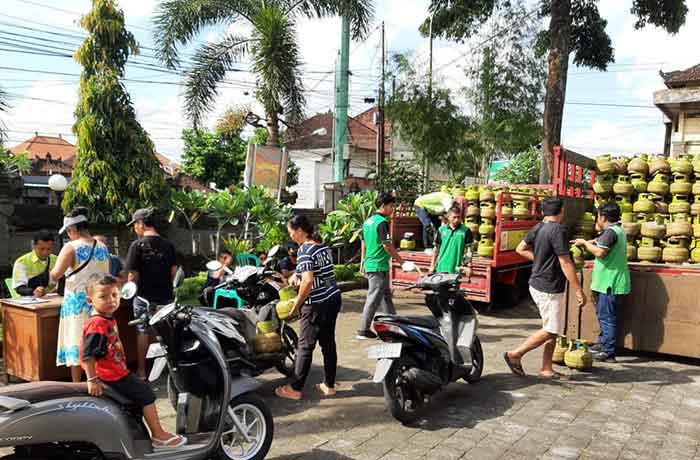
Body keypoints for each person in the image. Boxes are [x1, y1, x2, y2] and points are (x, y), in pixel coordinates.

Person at [81, 274, 186, 448]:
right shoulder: (97, 324)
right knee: (147, 394)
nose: (111, 301)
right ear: (89, 300)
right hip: (111, 375)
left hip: (116, 371)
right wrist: (92, 380)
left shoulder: (105, 319)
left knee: (136, 398)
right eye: (103, 297)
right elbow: (88, 354)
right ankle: (158, 435)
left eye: (115, 295)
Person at [504, 197, 586, 379]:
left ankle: (546, 368)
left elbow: (520, 248)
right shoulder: (558, 230)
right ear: (562, 212)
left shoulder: (538, 227)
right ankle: (515, 354)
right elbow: (565, 262)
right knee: (551, 329)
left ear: (543, 212)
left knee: (550, 326)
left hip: (539, 284)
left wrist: (540, 261)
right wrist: (578, 289)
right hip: (548, 287)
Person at [275, 215, 341, 400]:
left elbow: (308, 280)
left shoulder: (304, 250)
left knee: (305, 345)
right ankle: (329, 385)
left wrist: (297, 303)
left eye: (291, 233)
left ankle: (295, 389)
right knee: (328, 343)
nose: (291, 237)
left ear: (300, 231)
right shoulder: (321, 246)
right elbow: (315, 270)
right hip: (333, 298)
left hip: (316, 304)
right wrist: (298, 273)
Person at [50, 207, 111, 382]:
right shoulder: (102, 246)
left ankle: (78, 384)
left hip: (77, 302)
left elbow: (55, 275)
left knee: (77, 343)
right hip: (98, 302)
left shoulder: (70, 248)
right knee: (96, 342)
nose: (68, 235)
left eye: (68, 231)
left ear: (73, 230)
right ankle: (98, 379)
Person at [573, 201, 630, 363]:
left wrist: (584, 243)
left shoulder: (611, 232)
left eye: (598, 216)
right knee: (605, 315)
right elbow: (601, 241)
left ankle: (608, 352)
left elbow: (600, 252)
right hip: (610, 282)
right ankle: (603, 343)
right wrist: (588, 242)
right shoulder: (616, 230)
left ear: (602, 217)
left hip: (610, 283)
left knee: (607, 317)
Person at [125, 208, 177, 380]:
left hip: (143, 297)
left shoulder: (137, 245)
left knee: (143, 332)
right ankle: (172, 367)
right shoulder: (168, 245)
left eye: (135, 225)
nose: (135, 228)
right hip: (166, 297)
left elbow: (132, 276)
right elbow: (174, 272)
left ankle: (141, 372)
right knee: (166, 331)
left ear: (141, 223)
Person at [357, 192, 404, 340]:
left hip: (374, 264)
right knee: (373, 298)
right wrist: (400, 261)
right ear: (383, 206)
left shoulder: (368, 222)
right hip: (378, 266)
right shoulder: (381, 222)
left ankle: (393, 326)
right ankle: (363, 329)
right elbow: (387, 246)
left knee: (386, 297)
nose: (393, 209)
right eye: (391, 206)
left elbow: (363, 242)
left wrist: (363, 261)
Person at [12, 229, 57, 297]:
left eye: (49, 249)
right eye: (41, 249)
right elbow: (19, 288)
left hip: (52, 299)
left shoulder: (57, 259)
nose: (45, 252)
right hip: (29, 301)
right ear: (33, 245)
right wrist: (33, 292)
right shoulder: (22, 262)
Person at [430, 205, 473, 274]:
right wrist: (432, 265)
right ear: (448, 217)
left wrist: (469, 265)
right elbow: (436, 249)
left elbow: (469, 251)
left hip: (457, 269)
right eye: (454, 217)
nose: (456, 220)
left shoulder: (466, 231)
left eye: (458, 217)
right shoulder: (441, 230)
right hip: (441, 267)